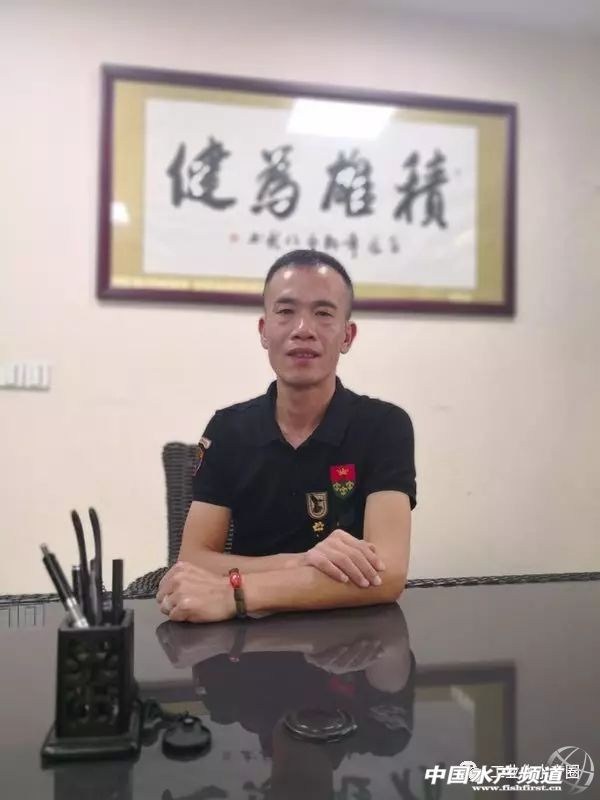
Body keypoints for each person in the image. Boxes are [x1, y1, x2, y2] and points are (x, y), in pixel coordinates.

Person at [157, 250, 416, 623]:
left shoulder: (385, 426)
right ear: (264, 330)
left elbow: (388, 574)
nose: (303, 329)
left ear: (347, 335)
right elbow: (194, 560)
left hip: (354, 635)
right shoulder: (227, 430)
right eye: (286, 311)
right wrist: (303, 561)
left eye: (323, 313)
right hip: (244, 638)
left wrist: (238, 594)